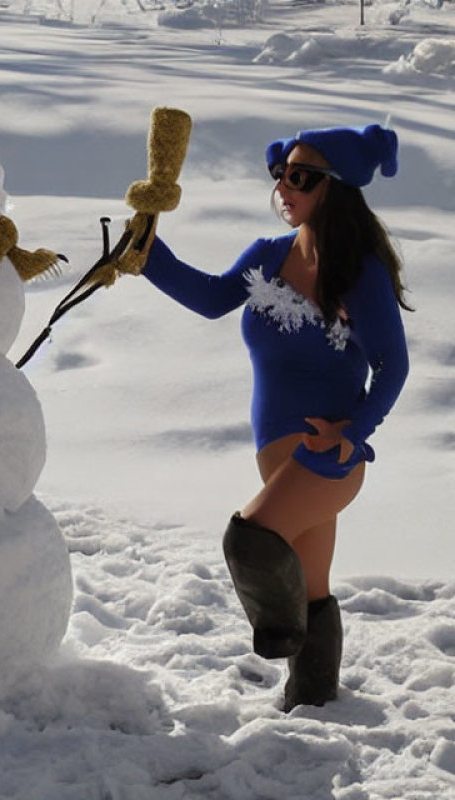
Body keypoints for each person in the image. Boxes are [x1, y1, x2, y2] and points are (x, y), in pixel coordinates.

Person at [128, 124, 410, 711]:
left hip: (325, 459)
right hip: (279, 457)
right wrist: (148, 253)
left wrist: (352, 431)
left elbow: (394, 366)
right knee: (311, 589)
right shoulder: (269, 256)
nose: (285, 186)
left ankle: (280, 641)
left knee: (250, 542)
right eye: (281, 173)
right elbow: (210, 298)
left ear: (335, 187)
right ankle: (312, 701)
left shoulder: (359, 272)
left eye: (301, 176)